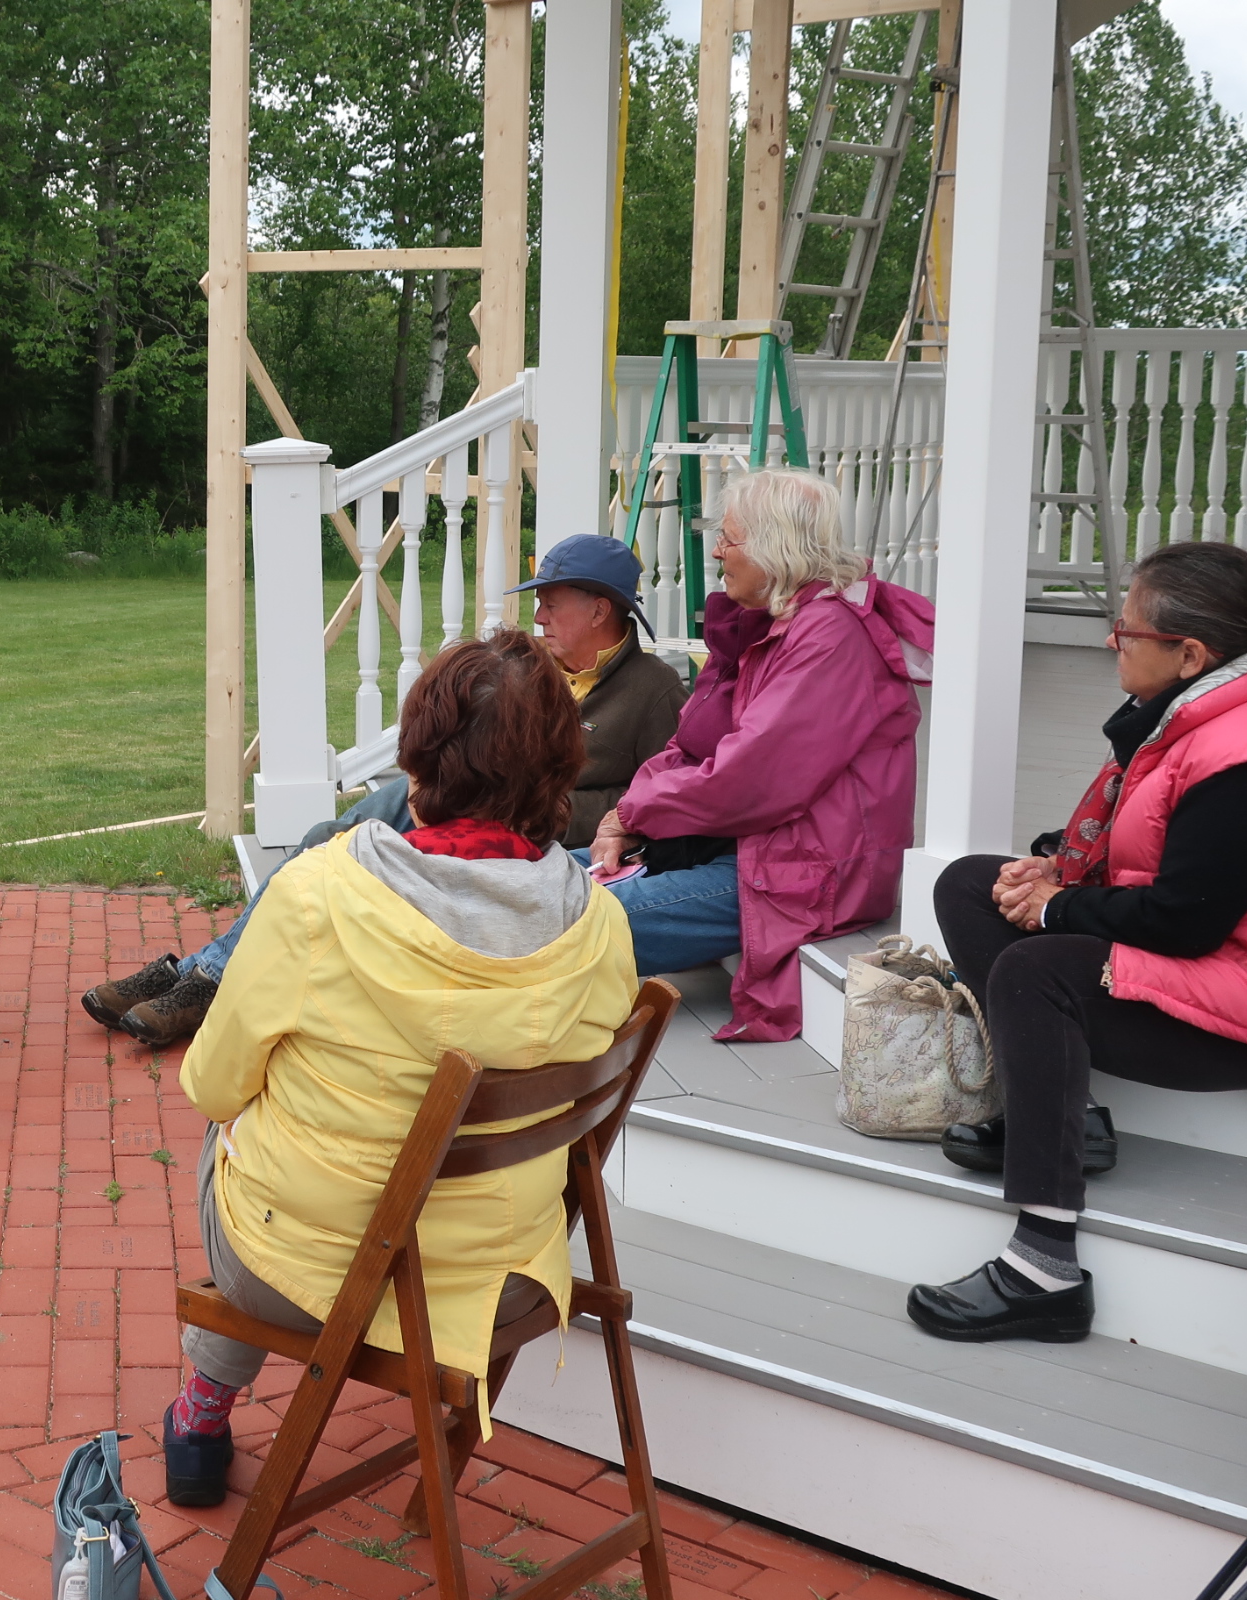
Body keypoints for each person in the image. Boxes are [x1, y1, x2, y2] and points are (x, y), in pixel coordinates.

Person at [159, 630, 641, 1506]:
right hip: (498, 1286)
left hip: (313, 1278)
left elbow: (212, 1084)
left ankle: (202, 1408)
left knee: (234, 1127)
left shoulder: (318, 893)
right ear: (559, 773)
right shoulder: (600, 924)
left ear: (419, 758)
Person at [908, 543, 1247, 1344]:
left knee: (1039, 970)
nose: (1113, 641)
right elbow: (1168, 861)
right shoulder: (1207, 711)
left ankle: (1043, 1270)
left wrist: (1060, 907)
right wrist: (1052, 871)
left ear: (1189, 654)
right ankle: (1074, 1119)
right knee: (971, 883)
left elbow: (1184, 920)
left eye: (1124, 628)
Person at [84, 534, 683, 1047]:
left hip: (529, 833)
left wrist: (557, 808)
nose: (541, 617)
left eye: (550, 604)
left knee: (335, 853)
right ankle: (199, 974)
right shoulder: (535, 673)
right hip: (480, 810)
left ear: (600, 609)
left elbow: (656, 795)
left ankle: (203, 980)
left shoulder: (653, 692)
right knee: (325, 835)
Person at [591, 468, 934, 1042]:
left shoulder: (830, 636)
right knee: (541, 879)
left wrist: (631, 815)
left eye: (729, 537)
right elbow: (691, 742)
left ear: (776, 548)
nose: (718, 550)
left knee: (571, 918)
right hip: (746, 846)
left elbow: (749, 776)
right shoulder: (773, 625)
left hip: (803, 870)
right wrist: (625, 817)